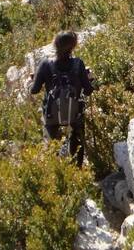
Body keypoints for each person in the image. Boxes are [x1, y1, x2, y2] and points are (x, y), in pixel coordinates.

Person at [29, 31, 95, 167]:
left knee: (51, 142)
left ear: (55, 44)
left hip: (52, 114)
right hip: (75, 113)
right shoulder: (78, 64)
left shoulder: (45, 64)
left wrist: (33, 79)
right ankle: (77, 168)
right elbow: (88, 91)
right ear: (73, 46)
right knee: (78, 135)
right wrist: (89, 78)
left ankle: (56, 168)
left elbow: (34, 90)